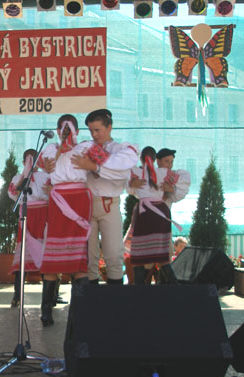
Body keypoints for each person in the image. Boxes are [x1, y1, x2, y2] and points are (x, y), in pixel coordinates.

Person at [71, 109, 139, 284]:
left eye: (97, 130)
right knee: (88, 256)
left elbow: (122, 174)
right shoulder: (86, 148)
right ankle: (91, 296)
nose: (94, 135)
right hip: (86, 206)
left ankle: (115, 298)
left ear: (109, 127)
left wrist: (94, 167)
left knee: (114, 254)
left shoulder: (121, 150)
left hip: (109, 205)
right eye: (91, 131)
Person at [38, 115, 93, 326]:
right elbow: (47, 166)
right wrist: (62, 145)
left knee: (79, 256)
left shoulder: (85, 147)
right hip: (59, 200)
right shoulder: (51, 149)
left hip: (79, 199)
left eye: (70, 128)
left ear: (77, 131)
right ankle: (46, 310)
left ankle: (82, 309)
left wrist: (88, 160)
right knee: (53, 255)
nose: (66, 131)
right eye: (62, 128)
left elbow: (101, 163)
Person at [126, 146, 181, 284]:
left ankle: (139, 289)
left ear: (141, 159)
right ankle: (176, 288)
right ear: (155, 159)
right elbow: (180, 180)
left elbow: (128, 188)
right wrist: (170, 188)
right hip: (160, 212)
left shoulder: (135, 172)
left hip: (144, 213)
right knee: (162, 254)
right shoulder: (164, 172)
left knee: (140, 254)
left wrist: (132, 184)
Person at [7, 148, 50, 308]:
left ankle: (50, 298)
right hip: (26, 215)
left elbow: (52, 194)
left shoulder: (46, 176)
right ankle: (17, 295)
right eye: (28, 160)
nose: (31, 163)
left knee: (46, 255)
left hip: (43, 216)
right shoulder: (18, 178)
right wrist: (25, 174)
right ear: (23, 162)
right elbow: (12, 194)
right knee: (22, 257)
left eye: (34, 160)